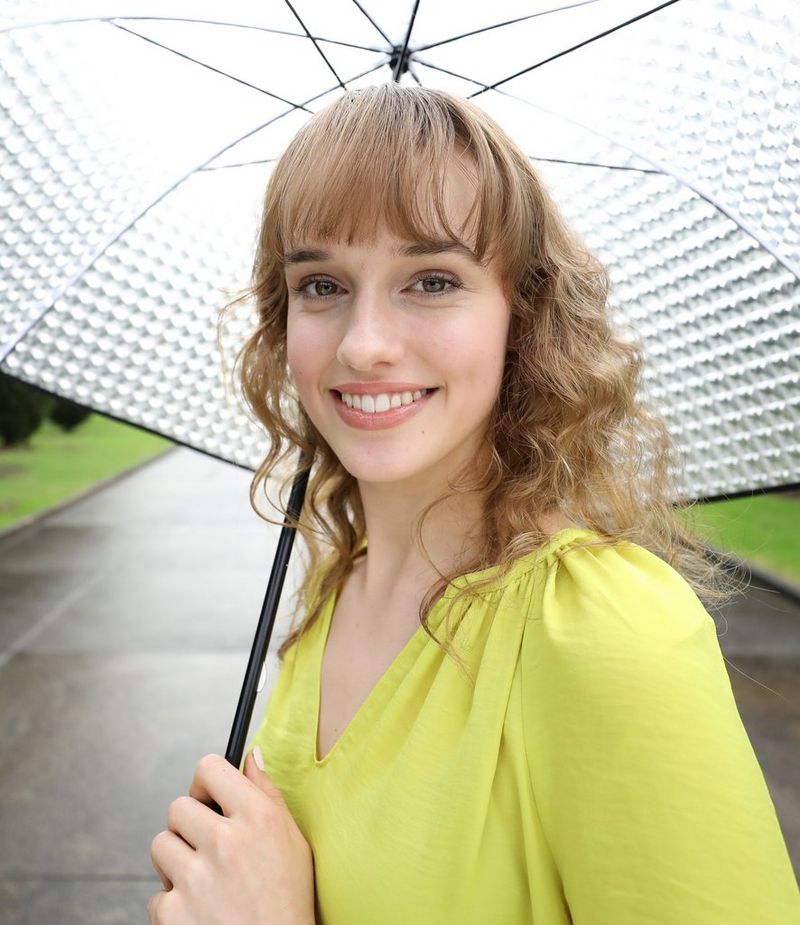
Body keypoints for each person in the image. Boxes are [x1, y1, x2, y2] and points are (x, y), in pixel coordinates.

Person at [148, 84, 800, 924]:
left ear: (521, 317)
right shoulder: (333, 592)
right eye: (321, 284)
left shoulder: (605, 632)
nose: (364, 344)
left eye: (429, 279)